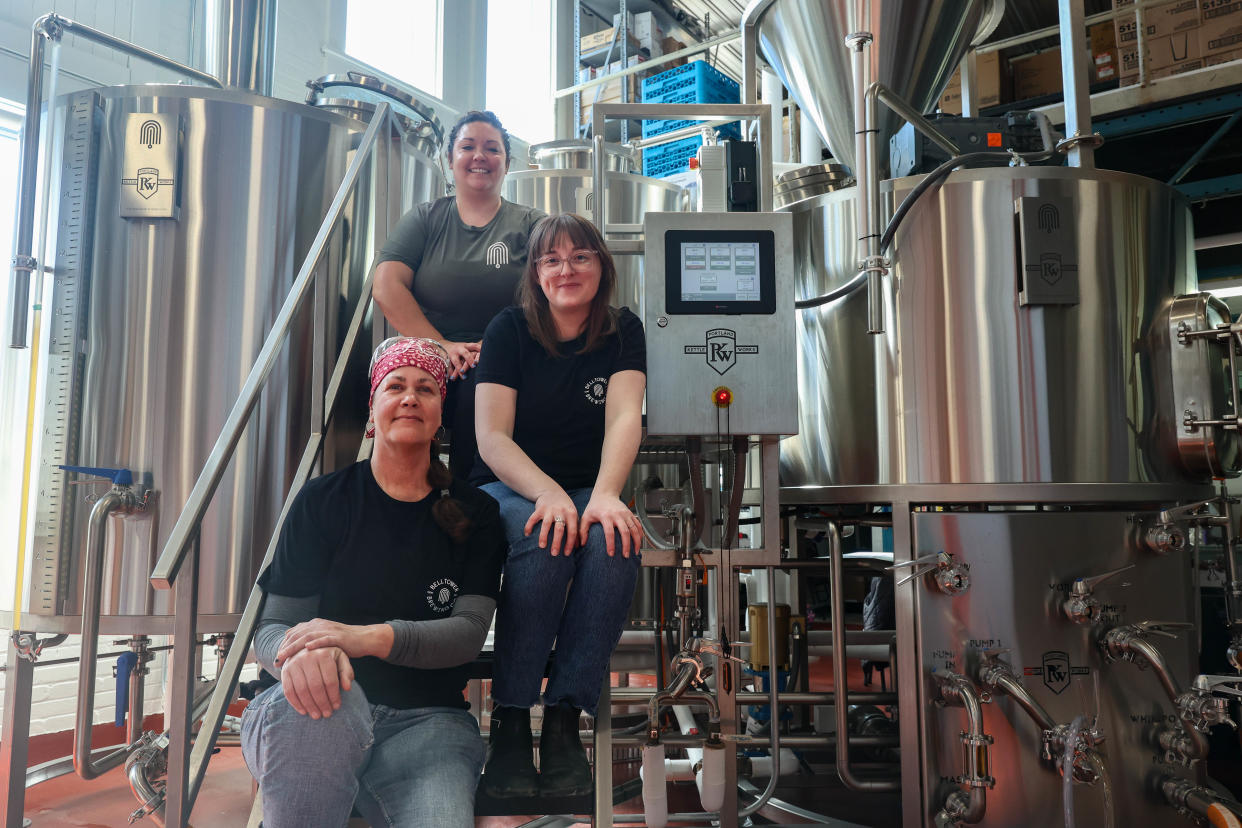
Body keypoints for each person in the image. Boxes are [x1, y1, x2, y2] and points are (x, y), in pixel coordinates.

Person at [241, 337, 506, 828]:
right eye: (395, 386)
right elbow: (271, 628)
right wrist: (303, 657)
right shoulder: (323, 501)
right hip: (321, 709)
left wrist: (359, 638)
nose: (409, 397)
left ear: (439, 414)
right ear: (373, 408)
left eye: (426, 389)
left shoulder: (478, 513)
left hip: (428, 725)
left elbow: (468, 633)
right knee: (325, 700)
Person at [472, 213, 647, 798]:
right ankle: (513, 720)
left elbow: (625, 416)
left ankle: (568, 719)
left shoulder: (622, 330)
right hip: (511, 486)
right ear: (536, 273)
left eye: (580, 256)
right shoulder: (509, 329)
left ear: (602, 264)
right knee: (544, 537)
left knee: (613, 541)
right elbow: (492, 437)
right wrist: (546, 493)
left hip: (586, 485)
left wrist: (604, 496)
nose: (566, 269)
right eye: (552, 259)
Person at [373, 110, 545, 478]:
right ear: (449, 160)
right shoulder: (426, 219)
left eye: (491, 149)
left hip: (509, 354)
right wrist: (441, 346)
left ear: (506, 162)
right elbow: (387, 284)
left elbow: (554, 293)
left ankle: (469, 500)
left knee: (481, 382)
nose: (479, 156)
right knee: (400, 384)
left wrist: (497, 343)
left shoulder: (531, 224)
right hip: (430, 351)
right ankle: (397, 495)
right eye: (467, 147)